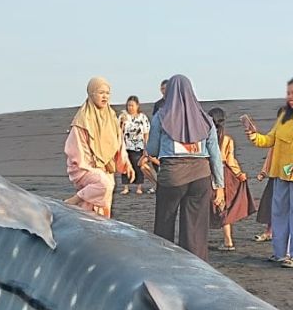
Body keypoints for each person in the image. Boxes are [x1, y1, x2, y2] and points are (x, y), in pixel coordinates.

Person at [243, 75, 293, 268]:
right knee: (279, 213)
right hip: (281, 172)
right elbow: (270, 139)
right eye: (288, 93)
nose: (290, 96)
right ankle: (280, 253)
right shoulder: (284, 116)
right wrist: (254, 136)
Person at [145, 75, 225, 259]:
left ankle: (164, 261)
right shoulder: (205, 119)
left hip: (172, 176)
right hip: (200, 177)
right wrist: (219, 186)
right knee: (195, 229)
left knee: (165, 222)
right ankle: (195, 266)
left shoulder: (161, 117)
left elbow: (152, 149)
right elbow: (215, 155)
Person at [64, 77, 134, 217]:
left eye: (107, 93)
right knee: (103, 183)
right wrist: (95, 165)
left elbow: (118, 142)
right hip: (85, 167)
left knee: (100, 203)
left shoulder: (111, 116)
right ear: (91, 93)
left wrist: (127, 164)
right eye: (101, 92)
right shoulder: (82, 120)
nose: (105, 96)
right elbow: (77, 151)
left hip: (106, 167)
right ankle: (73, 201)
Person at [207, 107, 256, 251]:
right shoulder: (227, 139)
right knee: (224, 206)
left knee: (205, 206)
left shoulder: (205, 138)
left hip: (207, 172)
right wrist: (240, 174)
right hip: (224, 173)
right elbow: (230, 160)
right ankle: (228, 239)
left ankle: (200, 238)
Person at [118, 96, 151, 195]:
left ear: (137, 106)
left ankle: (139, 187)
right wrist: (122, 124)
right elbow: (118, 130)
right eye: (128, 105)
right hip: (126, 145)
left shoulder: (142, 117)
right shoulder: (123, 116)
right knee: (125, 165)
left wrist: (146, 146)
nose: (130, 107)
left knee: (138, 165)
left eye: (132, 105)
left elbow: (146, 132)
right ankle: (125, 187)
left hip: (139, 145)